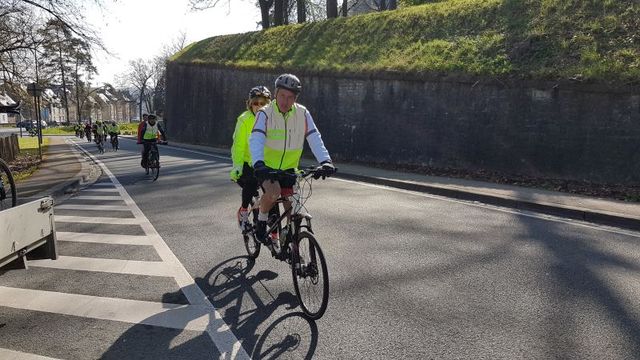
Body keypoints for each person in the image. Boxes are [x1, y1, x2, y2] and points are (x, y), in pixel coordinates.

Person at [249, 74, 336, 245]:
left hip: (289, 169)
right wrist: (258, 162)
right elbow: (256, 139)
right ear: (275, 94)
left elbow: (314, 137)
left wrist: (325, 161)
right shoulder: (265, 114)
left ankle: (294, 248)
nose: (285, 101)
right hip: (266, 168)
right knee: (273, 193)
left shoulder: (302, 114)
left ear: (295, 98)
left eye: (290, 97)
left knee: (294, 209)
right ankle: (261, 220)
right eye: (282, 95)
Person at [230, 86, 271, 229]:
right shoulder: (244, 120)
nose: (259, 107)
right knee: (252, 181)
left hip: (267, 163)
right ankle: (243, 210)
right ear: (250, 104)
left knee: (273, 197)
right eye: (255, 103)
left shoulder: (273, 119)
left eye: (263, 103)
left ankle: (274, 234)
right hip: (249, 162)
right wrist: (237, 167)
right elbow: (238, 146)